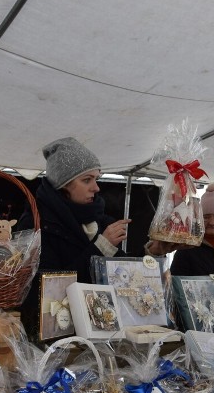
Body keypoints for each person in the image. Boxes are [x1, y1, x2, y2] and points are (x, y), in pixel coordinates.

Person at [19, 137, 131, 331]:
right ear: (63, 185)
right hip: (54, 334)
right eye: (86, 180)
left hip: (100, 330)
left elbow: (122, 278)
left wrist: (152, 254)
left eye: (96, 178)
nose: (96, 188)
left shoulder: (101, 222)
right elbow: (46, 289)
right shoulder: (37, 223)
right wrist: (100, 248)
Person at [158, 183, 214, 283]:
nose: (212, 222)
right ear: (199, 219)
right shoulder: (186, 248)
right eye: (206, 217)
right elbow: (176, 284)